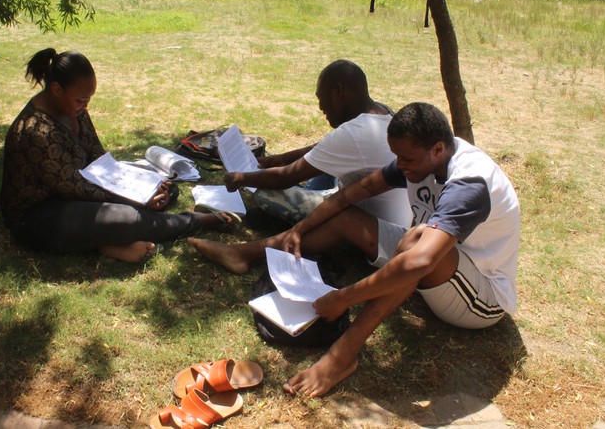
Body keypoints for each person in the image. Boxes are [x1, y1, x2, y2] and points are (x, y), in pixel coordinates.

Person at [188, 102, 520, 397]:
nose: (400, 165)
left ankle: (344, 353)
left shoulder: (469, 184)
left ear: (437, 149)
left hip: (480, 301)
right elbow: (349, 195)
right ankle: (246, 254)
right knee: (349, 218)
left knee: (415, 247)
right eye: (397, 157)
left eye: (406, 159)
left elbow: (421, 260)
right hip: (432, 264)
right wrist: (299, 230)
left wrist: (344, 297)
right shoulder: (420, 158)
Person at [0, 48, 233, 263]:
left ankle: (109, 241)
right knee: (129, 217)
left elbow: (97, 154)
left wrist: (142, 187)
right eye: (81, 99)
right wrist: (133, 198)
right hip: (39, 214)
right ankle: (193, 221)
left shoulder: (73, 109)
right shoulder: (36, 130)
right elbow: (70, 187)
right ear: (57, 90)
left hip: (80, 190)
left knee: (164, 187)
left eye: (88, 99)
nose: (85, 105)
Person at [229, 60, 411, 229]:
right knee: (321, 167)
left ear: (338, 91)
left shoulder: (354, 133)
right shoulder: (383, 112)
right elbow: (325, 147)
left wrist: (241, 178)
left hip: (371, 224)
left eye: (321, 97)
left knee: (265, 192)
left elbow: (284, 178)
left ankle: (285, 221)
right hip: (389, 216)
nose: (320, 106)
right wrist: (284, 158)